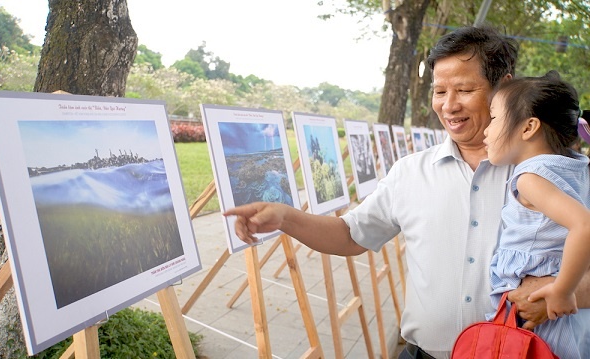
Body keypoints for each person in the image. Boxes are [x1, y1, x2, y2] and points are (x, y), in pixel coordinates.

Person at [224, 25, 590, 359]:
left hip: (521, 352)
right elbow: (351, 235)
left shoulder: (554, 176)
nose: (449, 105)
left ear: (504, 88)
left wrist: (566, 294)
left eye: (464, 90)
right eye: (440, 91)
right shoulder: (411, 173)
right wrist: (286, 217)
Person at [483, 71, 590, 358]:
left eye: (494, 118)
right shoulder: (576, 168)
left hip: (544, 312)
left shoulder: (530, 177)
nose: (486, 130)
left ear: (529, 127)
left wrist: (562, 290)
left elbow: (584, 226)